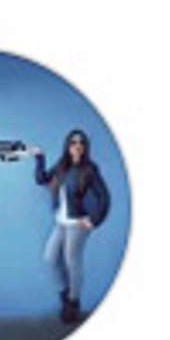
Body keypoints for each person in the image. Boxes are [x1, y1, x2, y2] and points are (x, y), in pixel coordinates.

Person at [34, 129, 113, 328]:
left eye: (81, 143)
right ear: (67, 146)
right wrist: (39, 158)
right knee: (50, 258)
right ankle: (66, 297)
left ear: (85, 147)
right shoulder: (62, 167)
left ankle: (73, 302)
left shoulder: (90, 169)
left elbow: (104, 196)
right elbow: (41, 179)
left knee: (72, 261)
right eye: (73, 143)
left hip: (78, 223)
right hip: (61, 222)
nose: (77, 146)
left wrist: (94, 220)